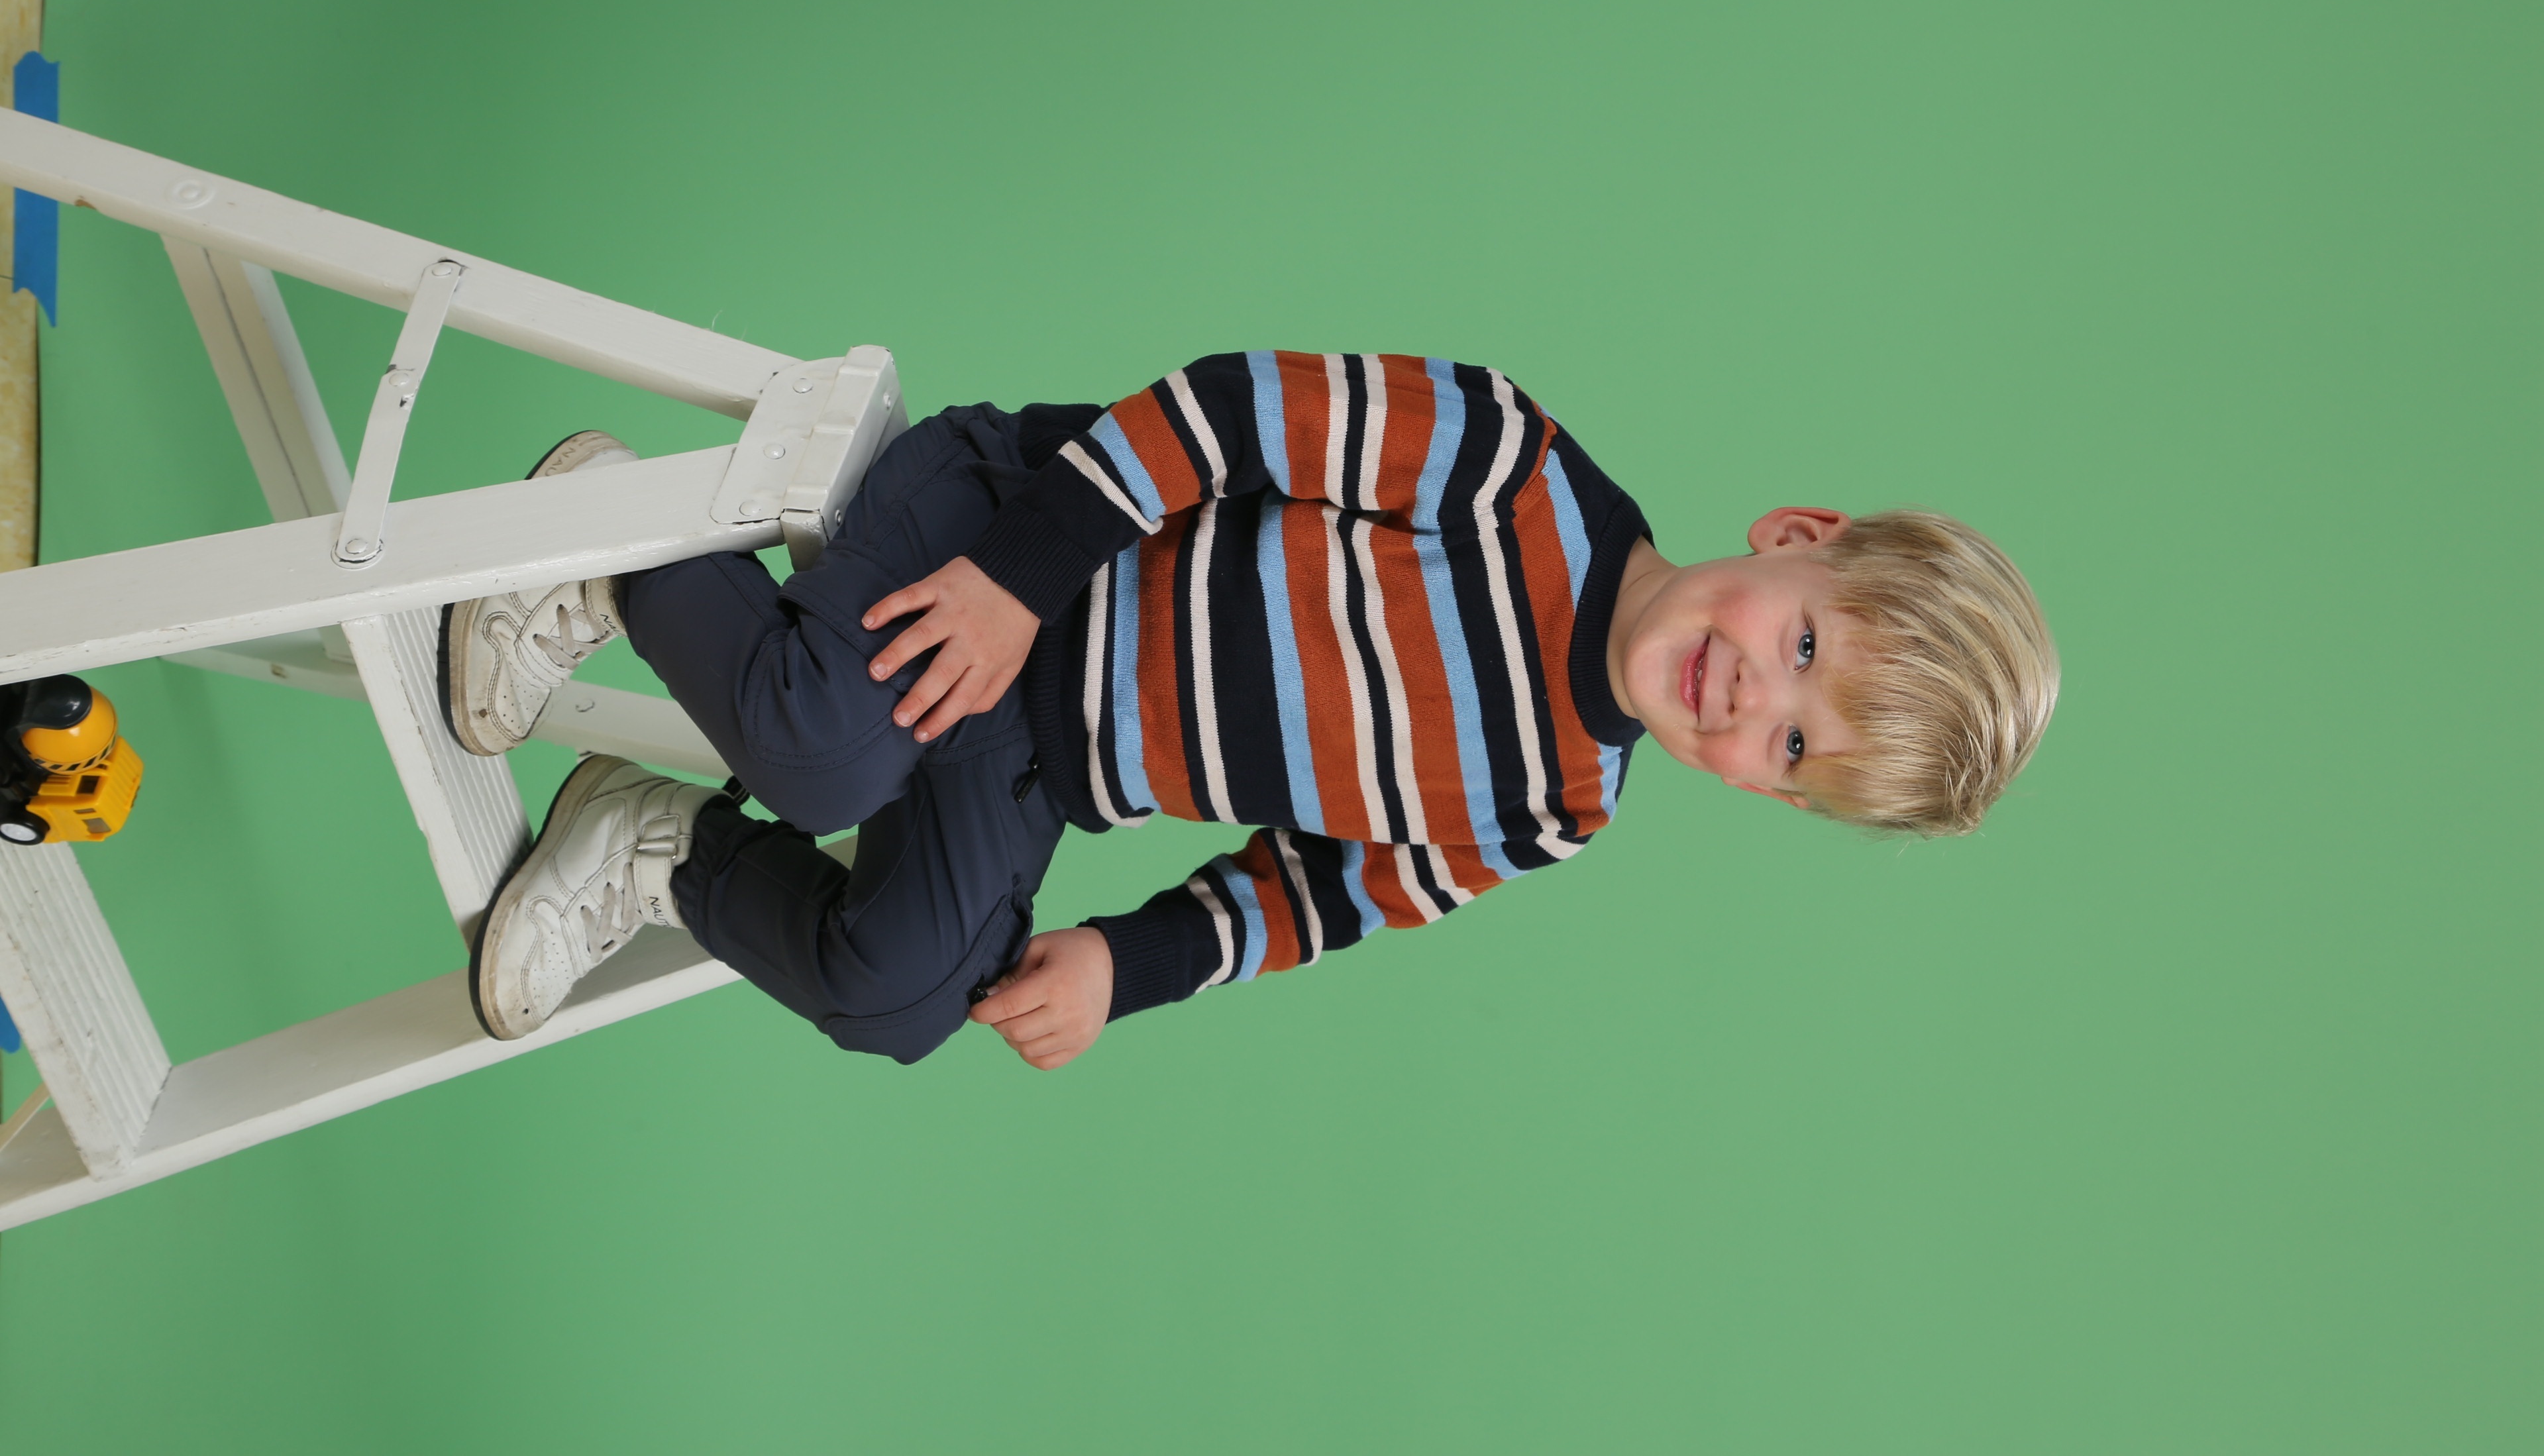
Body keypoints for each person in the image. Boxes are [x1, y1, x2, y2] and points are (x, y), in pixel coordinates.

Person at [441, 352, 2058, 1068]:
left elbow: (1326, 891)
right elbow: (1227, 415)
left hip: (1044, 761)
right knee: (824, 752)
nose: (1756, 694)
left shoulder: (1559, 804)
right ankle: (624, 547)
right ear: (1794, 537)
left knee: (901, 993)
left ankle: (649, 846)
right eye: (1803, 642)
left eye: (1794, 743)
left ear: (1768, 791)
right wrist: (1013, 581)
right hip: (1015, 540)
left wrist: (1126, 962)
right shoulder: (1511, 467)